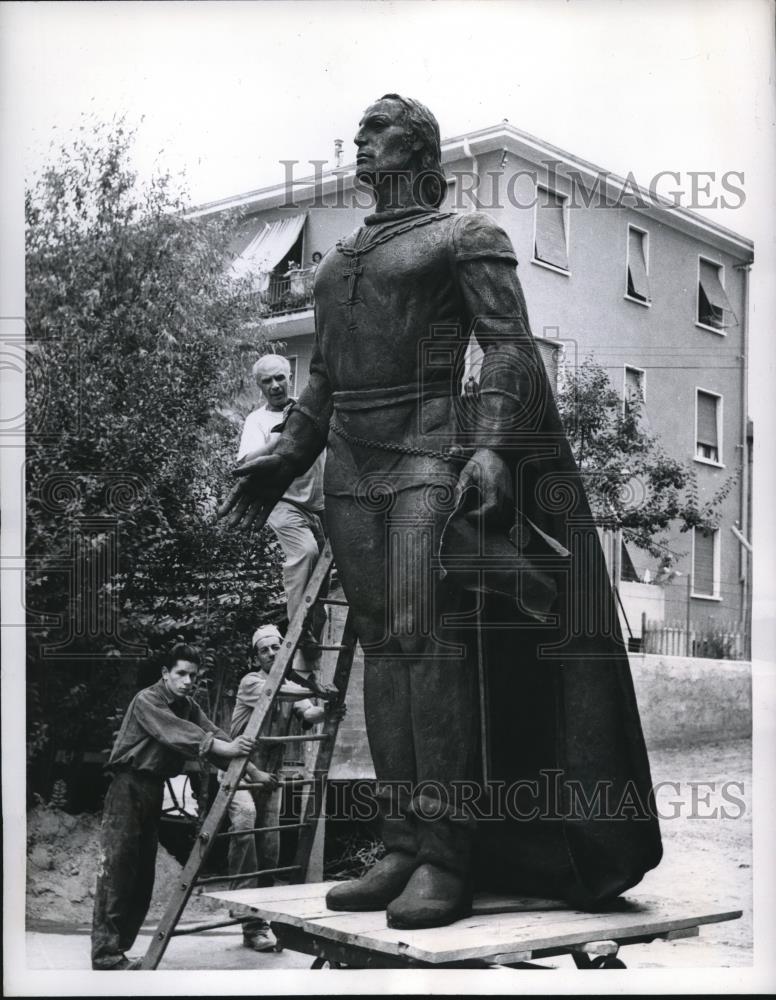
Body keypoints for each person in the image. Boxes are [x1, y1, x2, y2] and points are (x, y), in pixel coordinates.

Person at [222, 95, 662, 929]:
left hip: (429, 455)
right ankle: (402, 844)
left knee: (432, 648)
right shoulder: (335, 264)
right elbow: (324, 381)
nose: (358, 141)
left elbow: (508, 346)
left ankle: (451, 858)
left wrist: (493, 446)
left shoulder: (464, 236)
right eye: (357, 132)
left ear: (415, 149)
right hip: (350, 467)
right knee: (386, 651)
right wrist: (286, 452)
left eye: (376, 131)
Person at [91, 643, 270, 970]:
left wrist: (255, 771)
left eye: (193, 675)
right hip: (127, 787)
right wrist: (226, 747)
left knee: (143, 874)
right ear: (165, 674)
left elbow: (211, 733)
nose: (188, 681)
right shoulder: (148, 700)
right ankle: (105, 955)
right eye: (181, 674)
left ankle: (119, 951)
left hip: (153, 789)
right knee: (118, 871)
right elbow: (180, 735)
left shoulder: (187, 705)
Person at [225, 623, 329, 952]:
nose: (271, 653)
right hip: (241, 770)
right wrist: (317, 688)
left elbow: (308, 712)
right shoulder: (253, 682)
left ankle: (258, 924)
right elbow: (280, 692)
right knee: (244, 822)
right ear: (255, 656)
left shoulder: (289, 684)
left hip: (270, 775)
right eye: (264, 649)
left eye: (276, 646)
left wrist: (328, 707)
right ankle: (243, 910)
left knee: (270, 849)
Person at [236, 354, 326, 662]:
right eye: (267, 381)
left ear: (290, 376)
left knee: (321, 587)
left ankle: (308, 664)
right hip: (282, 502)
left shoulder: (307, 410)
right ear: (258, 385)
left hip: (319, 505)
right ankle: (299, 629)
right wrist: (280, 439)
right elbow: (247, 462)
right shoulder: (257, 420)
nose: (275, 385)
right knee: (305, 552)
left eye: (280, 378)